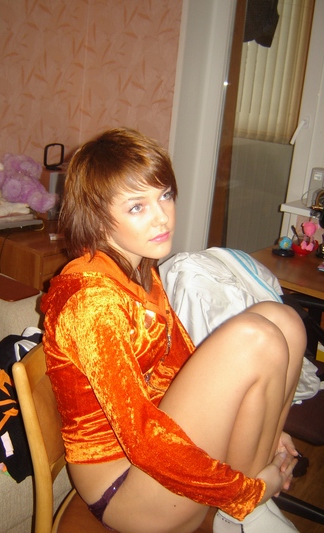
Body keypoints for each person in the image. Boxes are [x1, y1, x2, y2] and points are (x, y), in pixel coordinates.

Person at [41, 128, 306, 533]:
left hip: (158, 448)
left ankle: (244, 510)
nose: (162, 216)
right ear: (96, 217)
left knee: (283, 320)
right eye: (137, 207)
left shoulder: (139, 269)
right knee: (255, 336)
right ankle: (245, 505)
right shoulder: (91, 301)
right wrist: (246, 491)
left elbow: (181, 363)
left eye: (164, 195)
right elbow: (142, 438)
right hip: (125, 488)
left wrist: (270, 427)